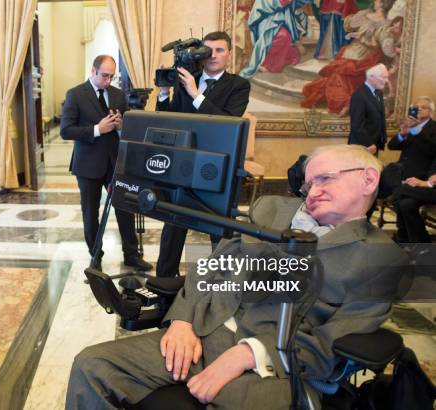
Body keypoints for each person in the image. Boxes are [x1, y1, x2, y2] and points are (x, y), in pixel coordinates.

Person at [66, 144, 408, 409]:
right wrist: (183, 321)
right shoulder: (271, 210)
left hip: (276, 366)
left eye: (325, 178)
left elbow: (331, 345)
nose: (312, 190)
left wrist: (249, 354)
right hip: (205, 332)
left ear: (368, 179)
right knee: (91, 365)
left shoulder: (380, 258)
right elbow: (212, 265)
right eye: (308, 184)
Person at [155, 31, 250, 278]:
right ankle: (164, 281)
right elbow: (170, 121)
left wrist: (196, 95)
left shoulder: (239, 85)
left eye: (220, 50)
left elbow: (228, 123)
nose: (213, 55)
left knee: (218, 229)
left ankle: (221, 283)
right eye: (209, 50)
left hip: (217, 168)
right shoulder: (186, 79)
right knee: (174, 227)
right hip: (183, 165)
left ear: (229, 54)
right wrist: (164, 94)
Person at [60, 55, 151, 271]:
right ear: (93, 71)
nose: (108, 81)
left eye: (111, 76)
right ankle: (95, 257)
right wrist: (96, 130)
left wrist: (121, 126)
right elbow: (66, 130)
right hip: (88, 164)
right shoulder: (75, 94)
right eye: (104, 76)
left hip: (115, 162)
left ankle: (131, 255)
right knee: (90, 213)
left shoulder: (118, 95)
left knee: (125, 208)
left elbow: (129, 129)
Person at [301, 1, 401, 115]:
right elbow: (348, 26)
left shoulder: (386, 25)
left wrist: (396, 50)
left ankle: (346, 103)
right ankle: (345, 102)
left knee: (340, 76)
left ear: (383, 4)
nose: (374, 1)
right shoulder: (366, 14)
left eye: (377, 0)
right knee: (338, 74)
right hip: (352, 51)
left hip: (365, 56)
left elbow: (387, 48)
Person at [388, 96, 436, 243]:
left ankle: (411, 240)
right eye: (416, 107)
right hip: (405, 175)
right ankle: (408, 239)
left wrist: (416, 131)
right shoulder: (410, 126)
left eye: (423, 107)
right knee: (403, 204)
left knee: (402, 200)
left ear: (431, 111)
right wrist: (403, 133)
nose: (419, 109)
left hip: (422, 179)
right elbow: (392, 146)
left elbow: (431, 148)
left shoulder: (433, 128)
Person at [238, 0, 312, 78]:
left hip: (278, 21)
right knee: (281, 36)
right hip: (265, 21)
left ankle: (272, 63)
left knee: (285, 36)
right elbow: (267, 6)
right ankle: (267, 63)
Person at [347, 63, 389, 155]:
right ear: (371, 77)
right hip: (362, 146)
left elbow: (379, 118)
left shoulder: (378, 93)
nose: (386, 81)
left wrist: (382, 140)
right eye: (384, 77)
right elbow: (357, 125)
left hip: (374, 144)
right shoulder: (359, 95)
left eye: (387, 77)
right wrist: (368, 144)